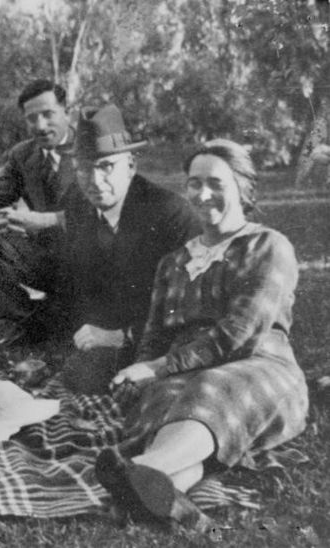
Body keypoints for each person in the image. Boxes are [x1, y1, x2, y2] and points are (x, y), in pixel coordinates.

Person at [95, 139, 309, 531]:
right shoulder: (173, 262)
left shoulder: (267, 246)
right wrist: (140, 372)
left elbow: (240, 334)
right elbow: (154, 337)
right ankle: (157, 493)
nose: (202, 194)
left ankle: (140, 469)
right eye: (194, 183)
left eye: (215, 183)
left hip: (258, 366)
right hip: (180, 373)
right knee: (167, 400)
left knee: (211, 388)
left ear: (242, 187)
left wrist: (158, 367)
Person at [59, 104, 200, 394]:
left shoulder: (169, 213)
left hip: (168, 338)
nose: (95, 181)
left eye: (106, 166)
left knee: (91, 378)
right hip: (108, 329)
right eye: (84, 168)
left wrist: (121, 336)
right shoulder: (77, 204)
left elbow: (188, 303)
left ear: (131, 166)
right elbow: (82, 283)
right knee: (76, 371)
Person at [0, 80, 76, 352]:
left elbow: (111, 213)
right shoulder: (23, 155)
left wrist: (48, 220)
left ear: (67, 111)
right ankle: (25, 325)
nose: (40, 125)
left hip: (94, 261)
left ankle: (60, 320)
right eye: (31, 118)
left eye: (48, 114)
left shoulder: (93, 147)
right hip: (46, 260)